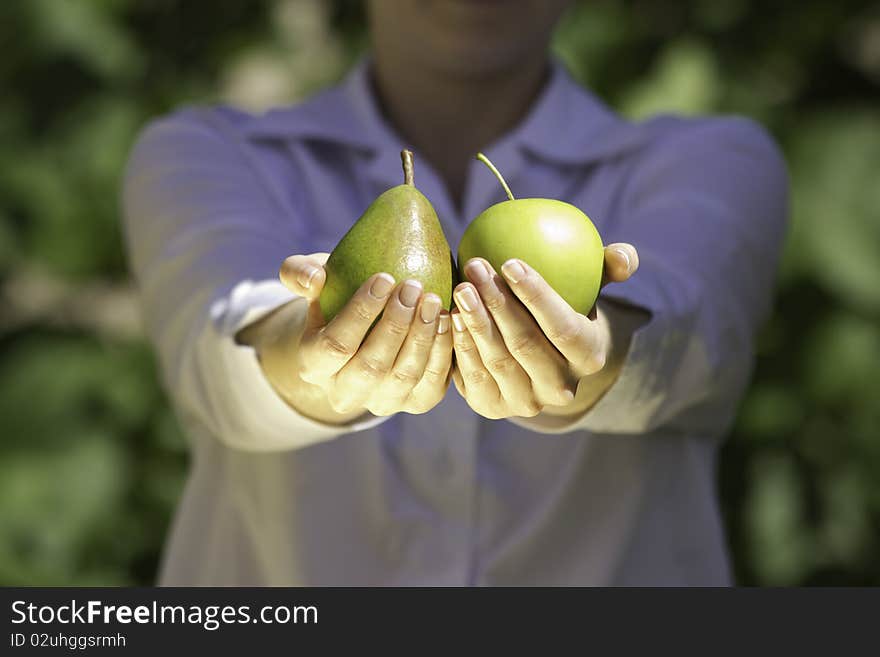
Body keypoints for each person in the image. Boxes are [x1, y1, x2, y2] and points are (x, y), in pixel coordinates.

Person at [122, 0, 788, 585]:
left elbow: (691, 343)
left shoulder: (712, 159)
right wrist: (316, 364)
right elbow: (216, 361)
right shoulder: (207, 152)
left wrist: (594, 350)